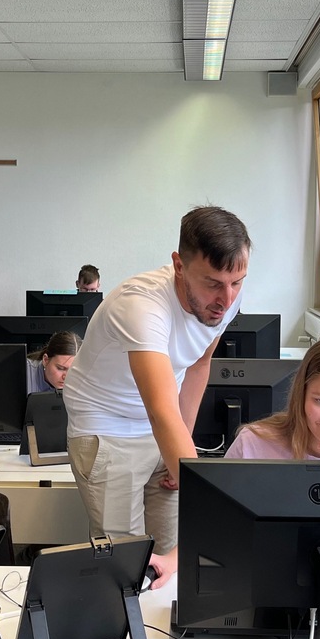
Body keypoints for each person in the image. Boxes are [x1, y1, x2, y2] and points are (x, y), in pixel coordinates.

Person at [63, 206, 251, 589]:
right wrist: (209, 504)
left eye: (237, 282)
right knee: (125, 567)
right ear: (179, 265)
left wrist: (181, 456)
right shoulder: (142, 305)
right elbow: (161, 410)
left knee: (169, 561)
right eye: (214, 283)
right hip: (106, 430)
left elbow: (198, 365)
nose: (227, 298)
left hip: (160, 428)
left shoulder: (225, 297)